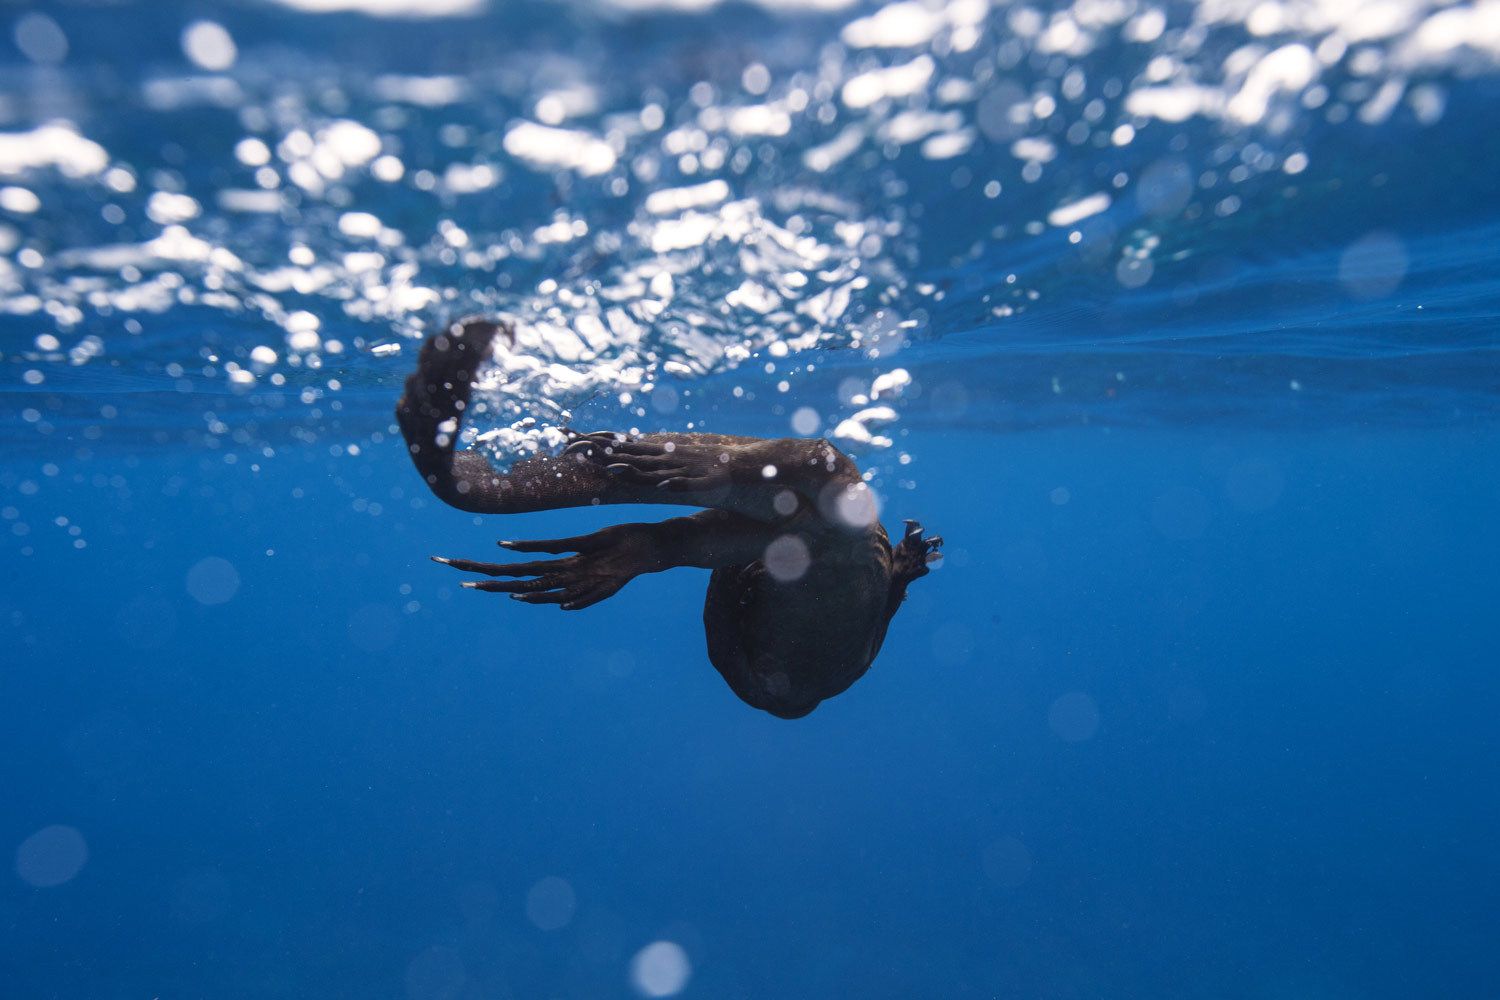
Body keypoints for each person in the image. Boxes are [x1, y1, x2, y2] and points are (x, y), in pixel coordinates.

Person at [397, 318, 942, 718]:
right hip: (803, 545)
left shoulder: (789, 676)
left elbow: (777, 544)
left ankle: (460, 463)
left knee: (825, 488)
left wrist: (901, 569)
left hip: (802, 544)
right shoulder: (774, 679)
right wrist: (659, 539)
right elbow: (750, 564)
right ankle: (461, 470)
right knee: (822, 488)